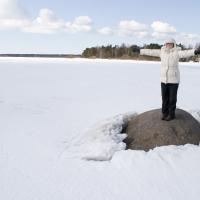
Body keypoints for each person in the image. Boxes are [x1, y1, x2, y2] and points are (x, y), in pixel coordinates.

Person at [140, 38, 200, 121]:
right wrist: (140, 51)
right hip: (164, 80)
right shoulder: (162, 52)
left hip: (174, 80)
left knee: (172, 99)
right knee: (164, 98)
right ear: (165, 44)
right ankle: (164, 113)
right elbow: (151, 51)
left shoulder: (177, 52)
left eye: (170, 44)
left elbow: (186, 53)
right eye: (167, 43)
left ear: (173, 44)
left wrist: (195, 51)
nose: (169, 45)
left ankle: (171, 114)